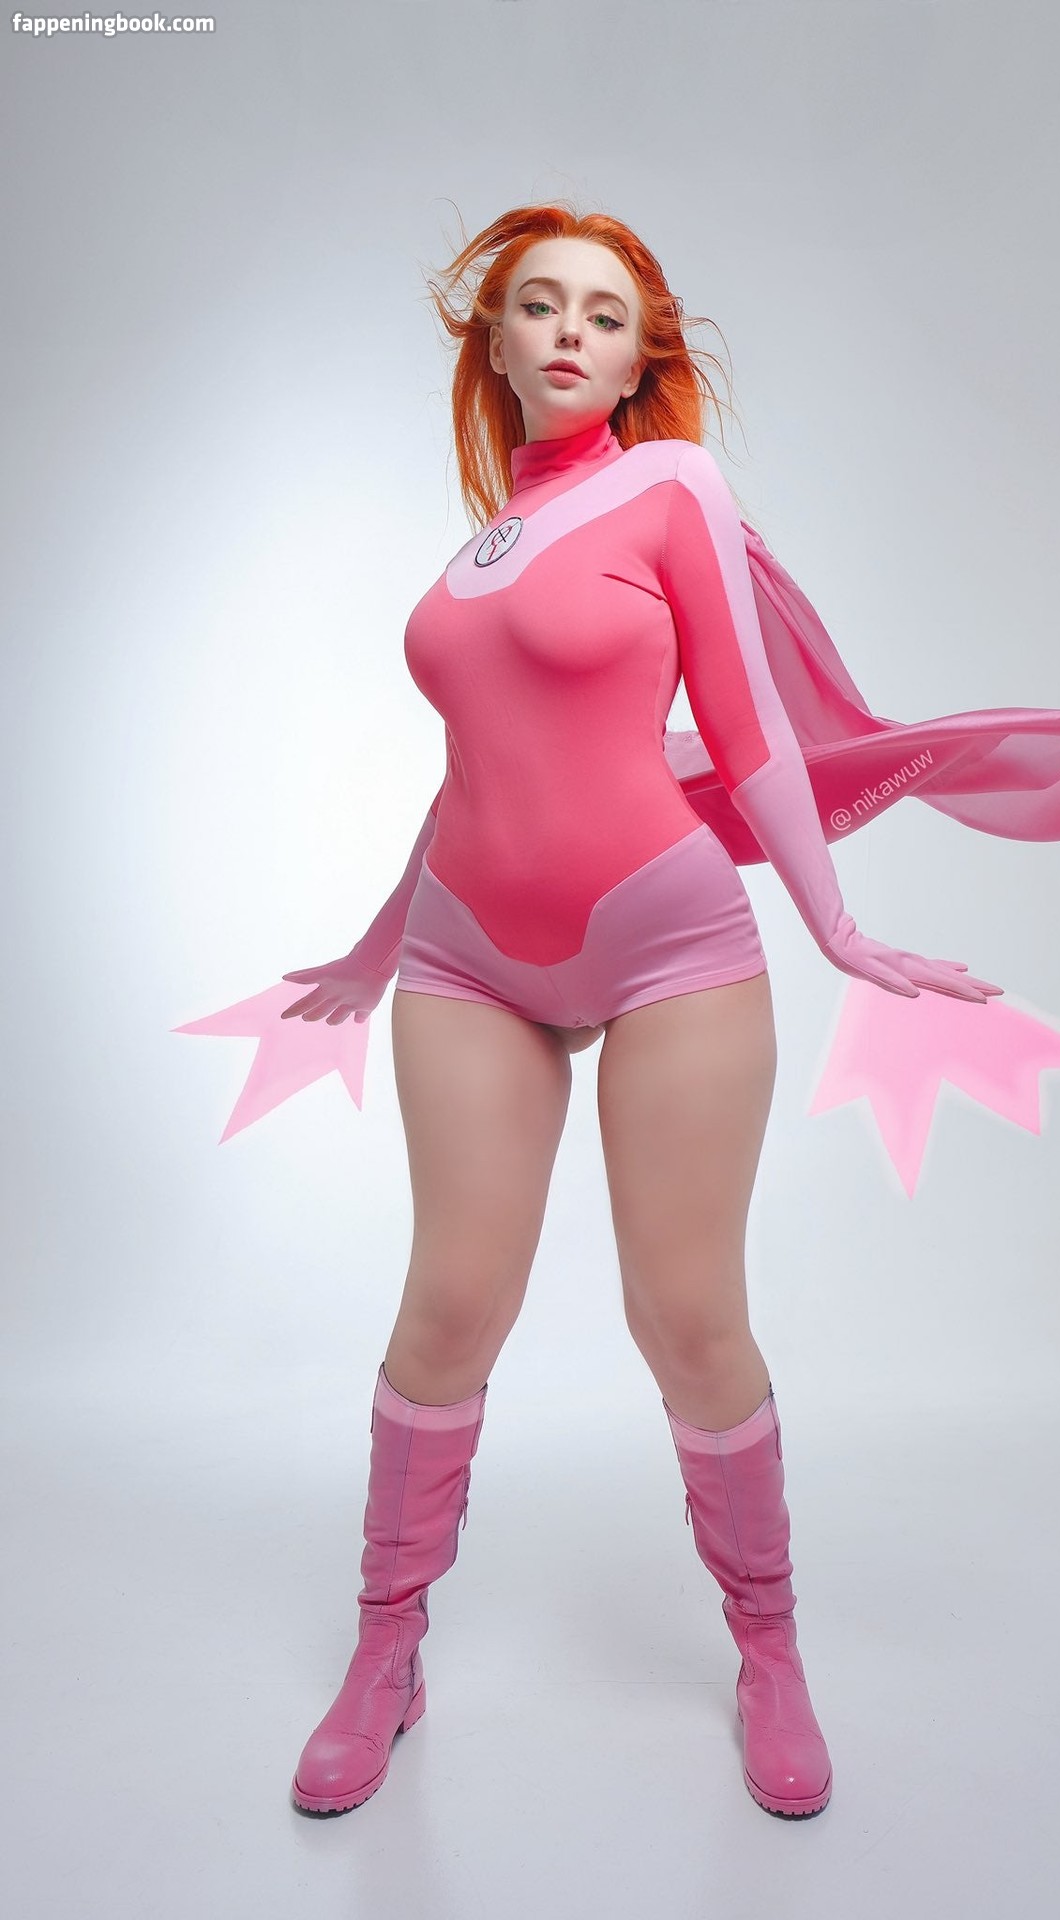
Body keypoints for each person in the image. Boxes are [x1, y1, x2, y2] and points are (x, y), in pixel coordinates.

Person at [284, 201, 1007, 1823]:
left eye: (603, 316)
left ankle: (770, 1649)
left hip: (666, 944)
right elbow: (475, 775)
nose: (568, 331)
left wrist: (835, 925)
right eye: (539, 305)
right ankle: (386, 1650)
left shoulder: (671, 485)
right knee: (449, 1305)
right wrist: (374, 943)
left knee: (685, 1319)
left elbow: (746, 733)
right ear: (494, 341)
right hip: (467, 956)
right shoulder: (473, 551)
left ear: (636, 360)